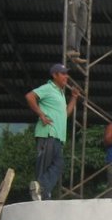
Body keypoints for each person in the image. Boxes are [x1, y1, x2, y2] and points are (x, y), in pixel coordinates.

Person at [26, 63, 79, 201]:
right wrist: (41, 114)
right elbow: (30, 96)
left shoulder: (60, 93)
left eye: (66, 73)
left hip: (57, 136)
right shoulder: (48, 88)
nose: (66, 76)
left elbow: (65, 114)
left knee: (58, 164)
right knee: (44, 166)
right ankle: (42, 194)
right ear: (54, 75)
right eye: (63, 73)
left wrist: (74, 97)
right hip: (47, 133)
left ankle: (41, 189)